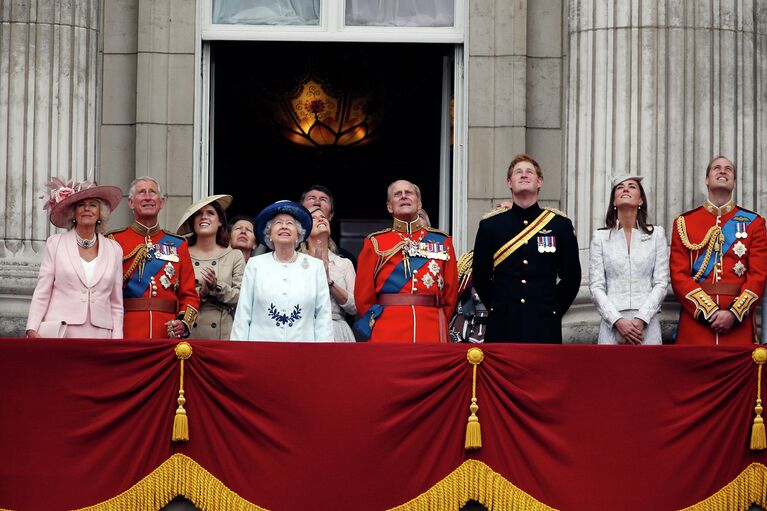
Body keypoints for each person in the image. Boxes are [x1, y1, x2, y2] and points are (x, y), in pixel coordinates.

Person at [472, 153, 581, 343]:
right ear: (509, 183)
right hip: (503, 323)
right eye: (518, 172)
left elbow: (571, 277)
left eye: (529, 172)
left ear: (539, 182)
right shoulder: (491, 225)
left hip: (544, 322)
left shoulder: (559, 225)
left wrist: (552, 308)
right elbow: (481, 276)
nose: (524, 175)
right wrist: (498, 306)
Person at [670, 155, 767, 345]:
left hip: (737, 327)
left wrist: (733, 313)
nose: (723, 171)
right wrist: (709, 312)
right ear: (707, 180)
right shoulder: (684, 223)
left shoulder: (754, 223)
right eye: (716, 168)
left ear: (735, 182)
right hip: (696, 326)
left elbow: (758, 276)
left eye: (728, 169)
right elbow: (678, 275)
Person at [354, 180, 457, 343]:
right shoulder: (375, 242)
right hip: (388, 330)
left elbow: (450, 294)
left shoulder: (442, 241)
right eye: (397, 194)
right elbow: (363, 298)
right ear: (389, 206)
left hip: (431, 328)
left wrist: (441, 321)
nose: (403, 196)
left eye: (408, 193)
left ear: (419, 203)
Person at [26, 177, 124, 338]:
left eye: (93, 205)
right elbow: (43, 291)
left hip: (100, 333)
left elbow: (116, 303)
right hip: (62, 331)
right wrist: (32, 328)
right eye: (81, 205)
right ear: (73, 212)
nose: (87, 209)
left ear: (100, 213)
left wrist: (117, 338)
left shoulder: (114, 249)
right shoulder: (55, 244)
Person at [108, 177, 199, 339]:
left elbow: (189, 294)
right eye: (141, 192)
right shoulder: (114, 240)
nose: (148, 197)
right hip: (127, 329)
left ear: (162, 202)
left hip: (166, 331)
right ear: (131, 203)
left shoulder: (179, 244)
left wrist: (183, 322)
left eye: (153, 192)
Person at [231, 200, 333, 342]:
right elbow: (243, 313)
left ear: (299, 235)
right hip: (260, 351)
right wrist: (239, 353)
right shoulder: (255, 265)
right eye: (278, 223)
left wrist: (324, 353)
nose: (284, 226)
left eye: (290, 223)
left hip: (303, 351)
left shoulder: (315, 267)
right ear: (269, 234)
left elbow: (323, 315)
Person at [589, 175, 668, 345]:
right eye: (620, 187)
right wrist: (617, 320)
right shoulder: (600, 237)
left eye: (632, 186)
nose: (625, 189)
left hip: (647, 325)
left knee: (648, 371)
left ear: (640, 200)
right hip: (612, 325)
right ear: (614, 202)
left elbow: (661, 283)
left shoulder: (656, 234)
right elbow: (596, 286)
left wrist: (641, 318)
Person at [177, 195, 245, 340]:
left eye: (210, 213)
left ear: (220, 221)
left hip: (222, 334)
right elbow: (173, 294)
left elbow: (241, 297)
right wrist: (199, 293)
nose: (204, 217)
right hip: (189, 333)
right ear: (193, 222)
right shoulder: (181, 253)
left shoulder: (234, 255)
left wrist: (216, 286)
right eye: (198, 214)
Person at [300, 207, 357, 342]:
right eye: (313, 218)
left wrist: (328, 280)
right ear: (304, 233)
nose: (321, 218)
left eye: (323, 217)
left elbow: (354, 307)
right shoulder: (296, 262)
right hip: (304, 329)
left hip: (337, 330)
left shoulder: (344, 263)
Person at [300, 184, 357, 267]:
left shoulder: (347, 259)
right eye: (311, 198)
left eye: (323, 199)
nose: (317, 203)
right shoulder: (289, 255)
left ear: (330, 216)